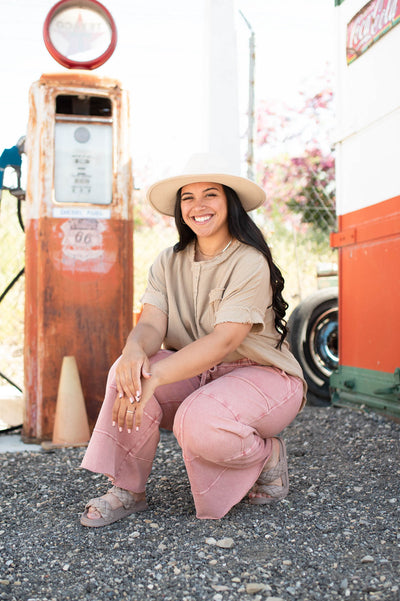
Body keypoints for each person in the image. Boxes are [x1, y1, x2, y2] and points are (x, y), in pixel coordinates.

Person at [80, 154, 307, 527]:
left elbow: (222, 342)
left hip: (262, 377)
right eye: (188, 197)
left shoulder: (249, 261)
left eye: (210, 194)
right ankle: (127, 490)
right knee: (126, 375)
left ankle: (265, 456)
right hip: (198, 373)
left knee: (198, 422)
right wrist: (133, 351)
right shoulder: (167, 261)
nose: (198, 206)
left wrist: (157, 377)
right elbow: (152, 323)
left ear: (229, 203)